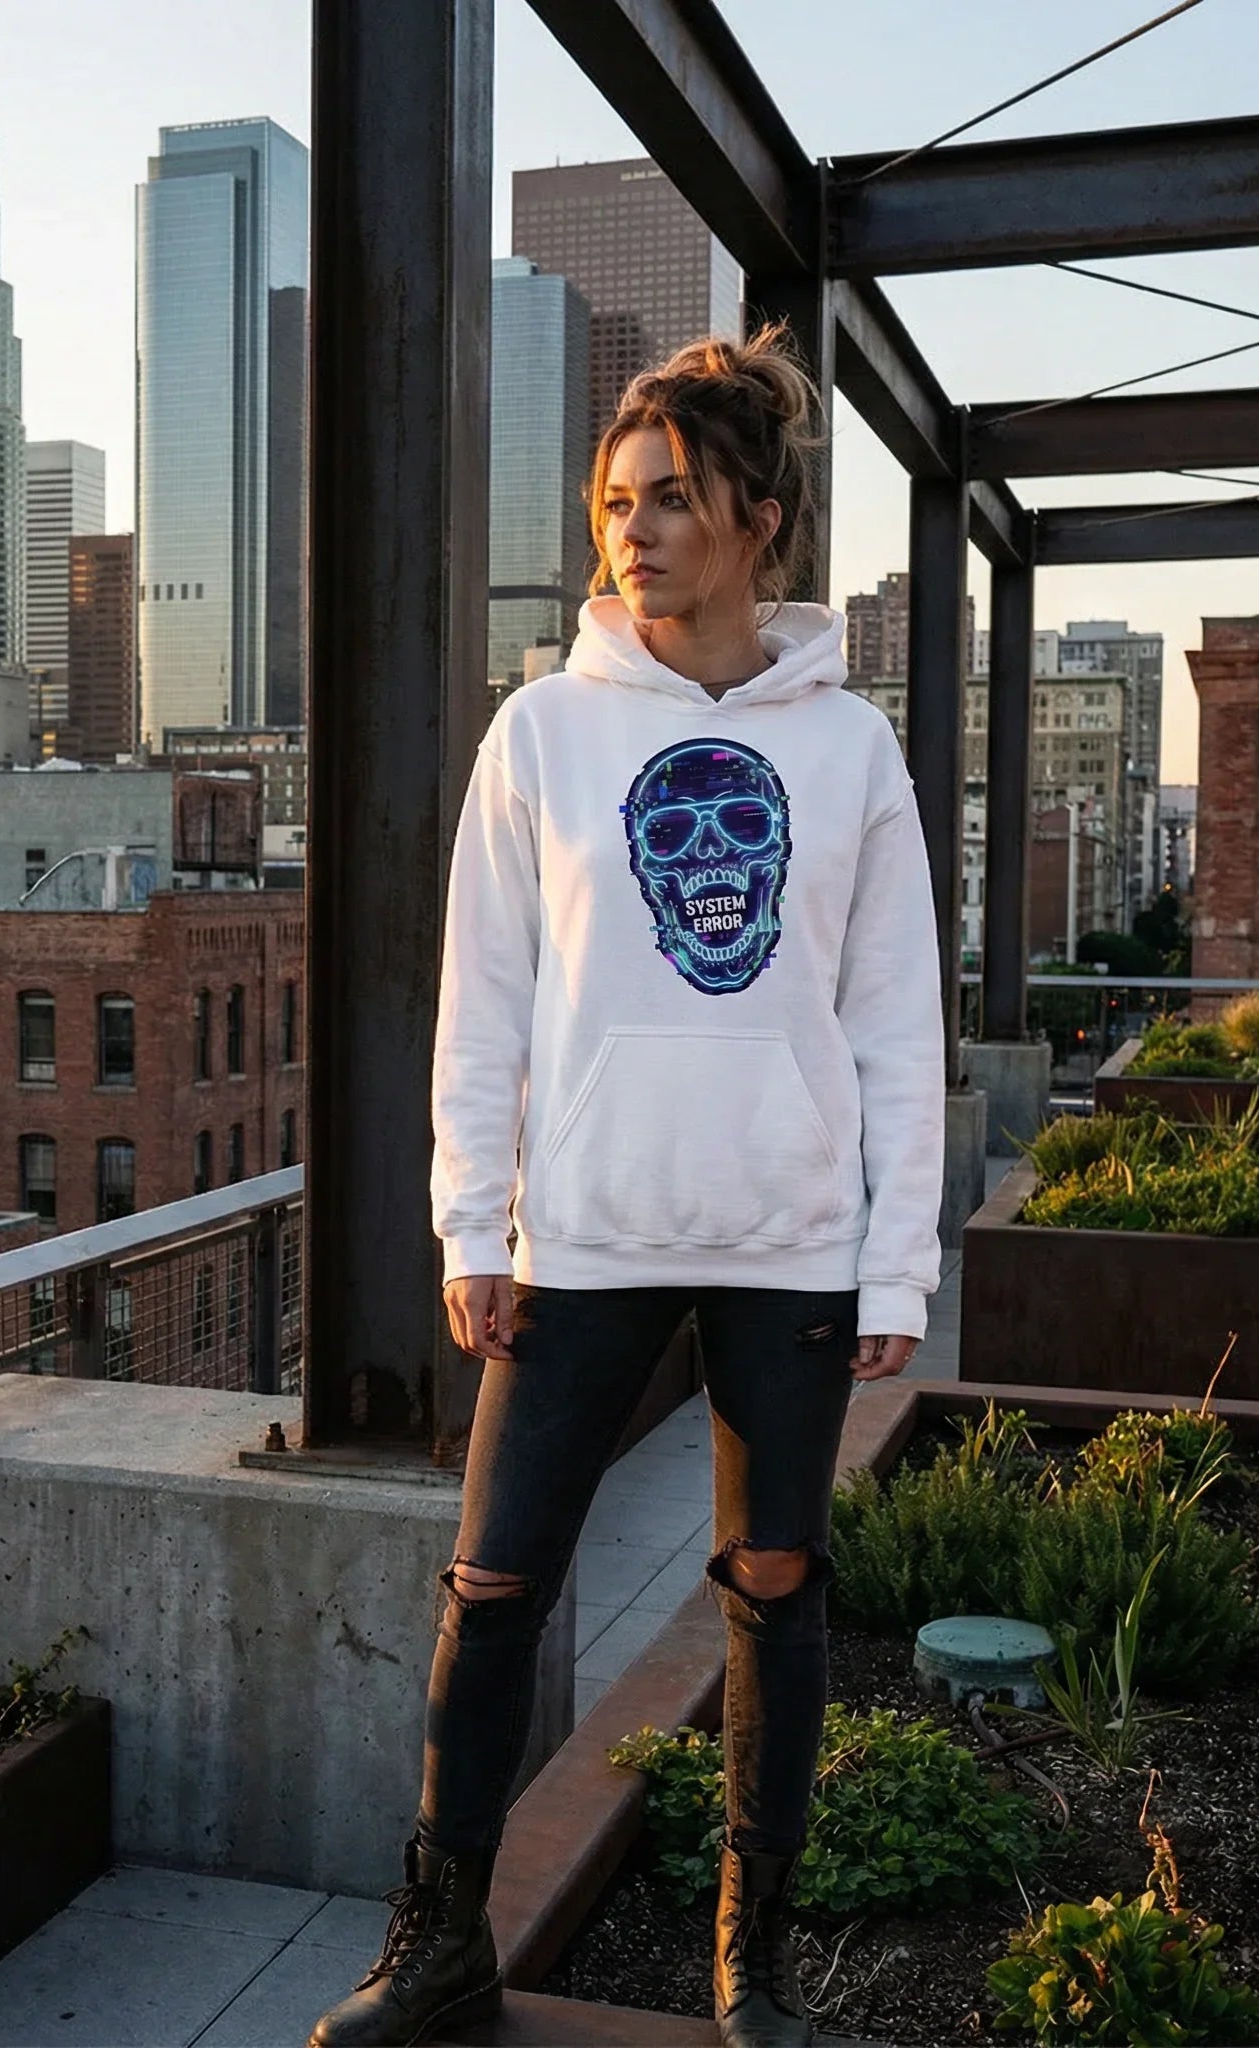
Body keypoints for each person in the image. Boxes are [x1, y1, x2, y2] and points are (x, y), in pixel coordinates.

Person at [307, 327, 944, 2048]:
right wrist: (469, 1218)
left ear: (758, 516)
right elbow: (482, 998)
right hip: (581, 1237)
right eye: (614, 502)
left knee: (779, 1596)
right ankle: (438, 1947)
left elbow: (897, 1027)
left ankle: (756, 1964)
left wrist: (897, 1272)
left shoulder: (853, 755)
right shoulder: (543, 736)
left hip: (790, 1242)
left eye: (669, 499)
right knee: (493, 1585)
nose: (632, 532)